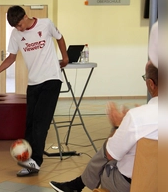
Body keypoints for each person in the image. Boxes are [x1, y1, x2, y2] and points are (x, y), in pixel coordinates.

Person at [49, 60, 158, 192]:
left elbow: (110, 154)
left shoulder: (137, 116)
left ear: (151, 84)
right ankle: (76, 185)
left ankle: (77, 185)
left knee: (106, 158)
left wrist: (118, 127)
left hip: (132, 186)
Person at [0, 5, 69, 176]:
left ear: (25, 16)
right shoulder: (16, 34)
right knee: (30, 124)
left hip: (51, 79)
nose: (19, 29)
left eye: (19, 24)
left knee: (41, 124)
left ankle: (35, 163)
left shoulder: (45, 24)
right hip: (33, 83)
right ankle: (27, 159)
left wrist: (65, 57)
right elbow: (11, 57)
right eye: (15, 27)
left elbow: (60, 38)